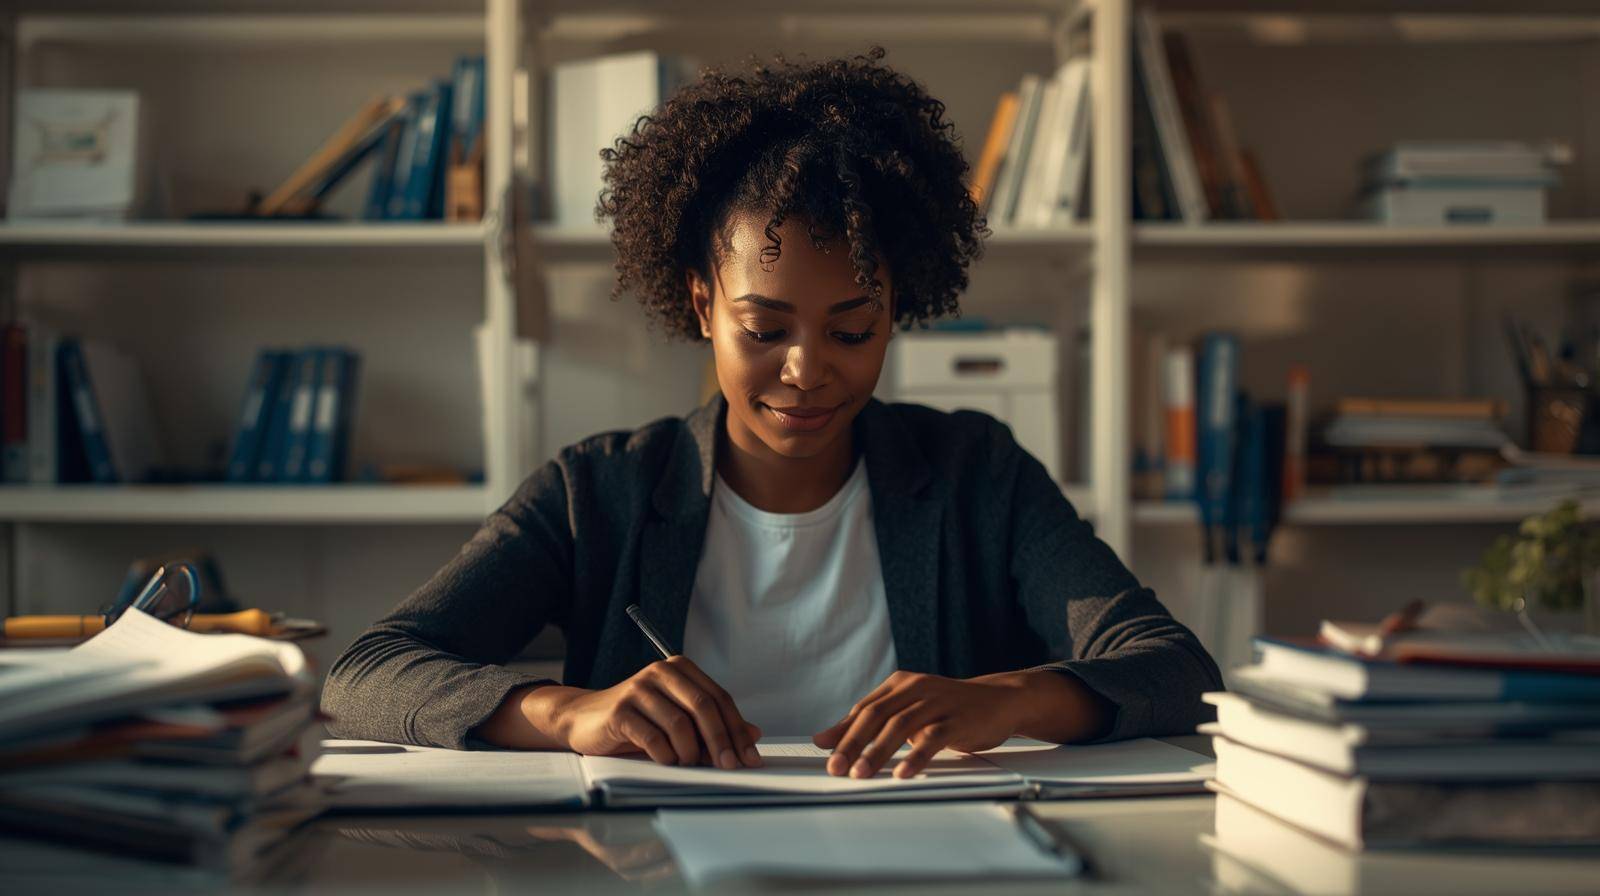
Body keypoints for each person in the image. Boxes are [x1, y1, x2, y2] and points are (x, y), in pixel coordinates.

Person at [323, 49, 1222, 781]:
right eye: (764, 326)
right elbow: (366, 674)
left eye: (853, 329)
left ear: (894, 314)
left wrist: (1016, 698)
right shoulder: (597, 490)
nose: (807, 371)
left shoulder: (974, 473)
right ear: (702, 302)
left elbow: (1176, 671)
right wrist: (571, 711)